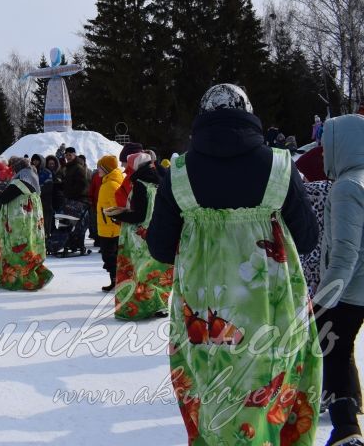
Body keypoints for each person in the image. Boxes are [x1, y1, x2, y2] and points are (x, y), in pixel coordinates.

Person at [146, 83, 320, 446]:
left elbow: (160, 249)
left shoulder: (178, 173)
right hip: (273, 310)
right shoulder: (279, 166)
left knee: (211, 387)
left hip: (204, 313)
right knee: (274, 384)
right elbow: (307, 239)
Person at [315, 114, 364, 445]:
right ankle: (353, 404)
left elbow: (346, 253)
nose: (322, 153)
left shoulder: (348, 187)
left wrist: (323, 299)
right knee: (342, 348)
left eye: (325, 146)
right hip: (357, 290)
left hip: (349, 290)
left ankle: (345, 429)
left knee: (330, 351)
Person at [108, 153, 172, 319]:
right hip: (158, 230)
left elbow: (139, 216)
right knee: (155, 269)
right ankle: (160, 304)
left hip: (139, 236)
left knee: (137, 271)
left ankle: (138, 308)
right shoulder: (160, 180)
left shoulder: (139, 184)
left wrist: (117, 215)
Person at [0, 157, 52, 291]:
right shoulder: (32, 181)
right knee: (29, 249)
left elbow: (2, 198)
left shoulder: (19, 183)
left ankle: (21, 280)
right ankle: (32, 275)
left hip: (19, 226)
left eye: (13, 168)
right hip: (31, 226)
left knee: (16, 250)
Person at [95, 155, 124, 292]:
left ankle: (117, 280)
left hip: (110, 228)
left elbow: (116, 206)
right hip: (107, 226)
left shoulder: (111, 184)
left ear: (106, 169)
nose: (97, 170)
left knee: (109, 255)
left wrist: (112, 221)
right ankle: (115, 279)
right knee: (109, 255)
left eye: (99, 168)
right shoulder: (108, 182)